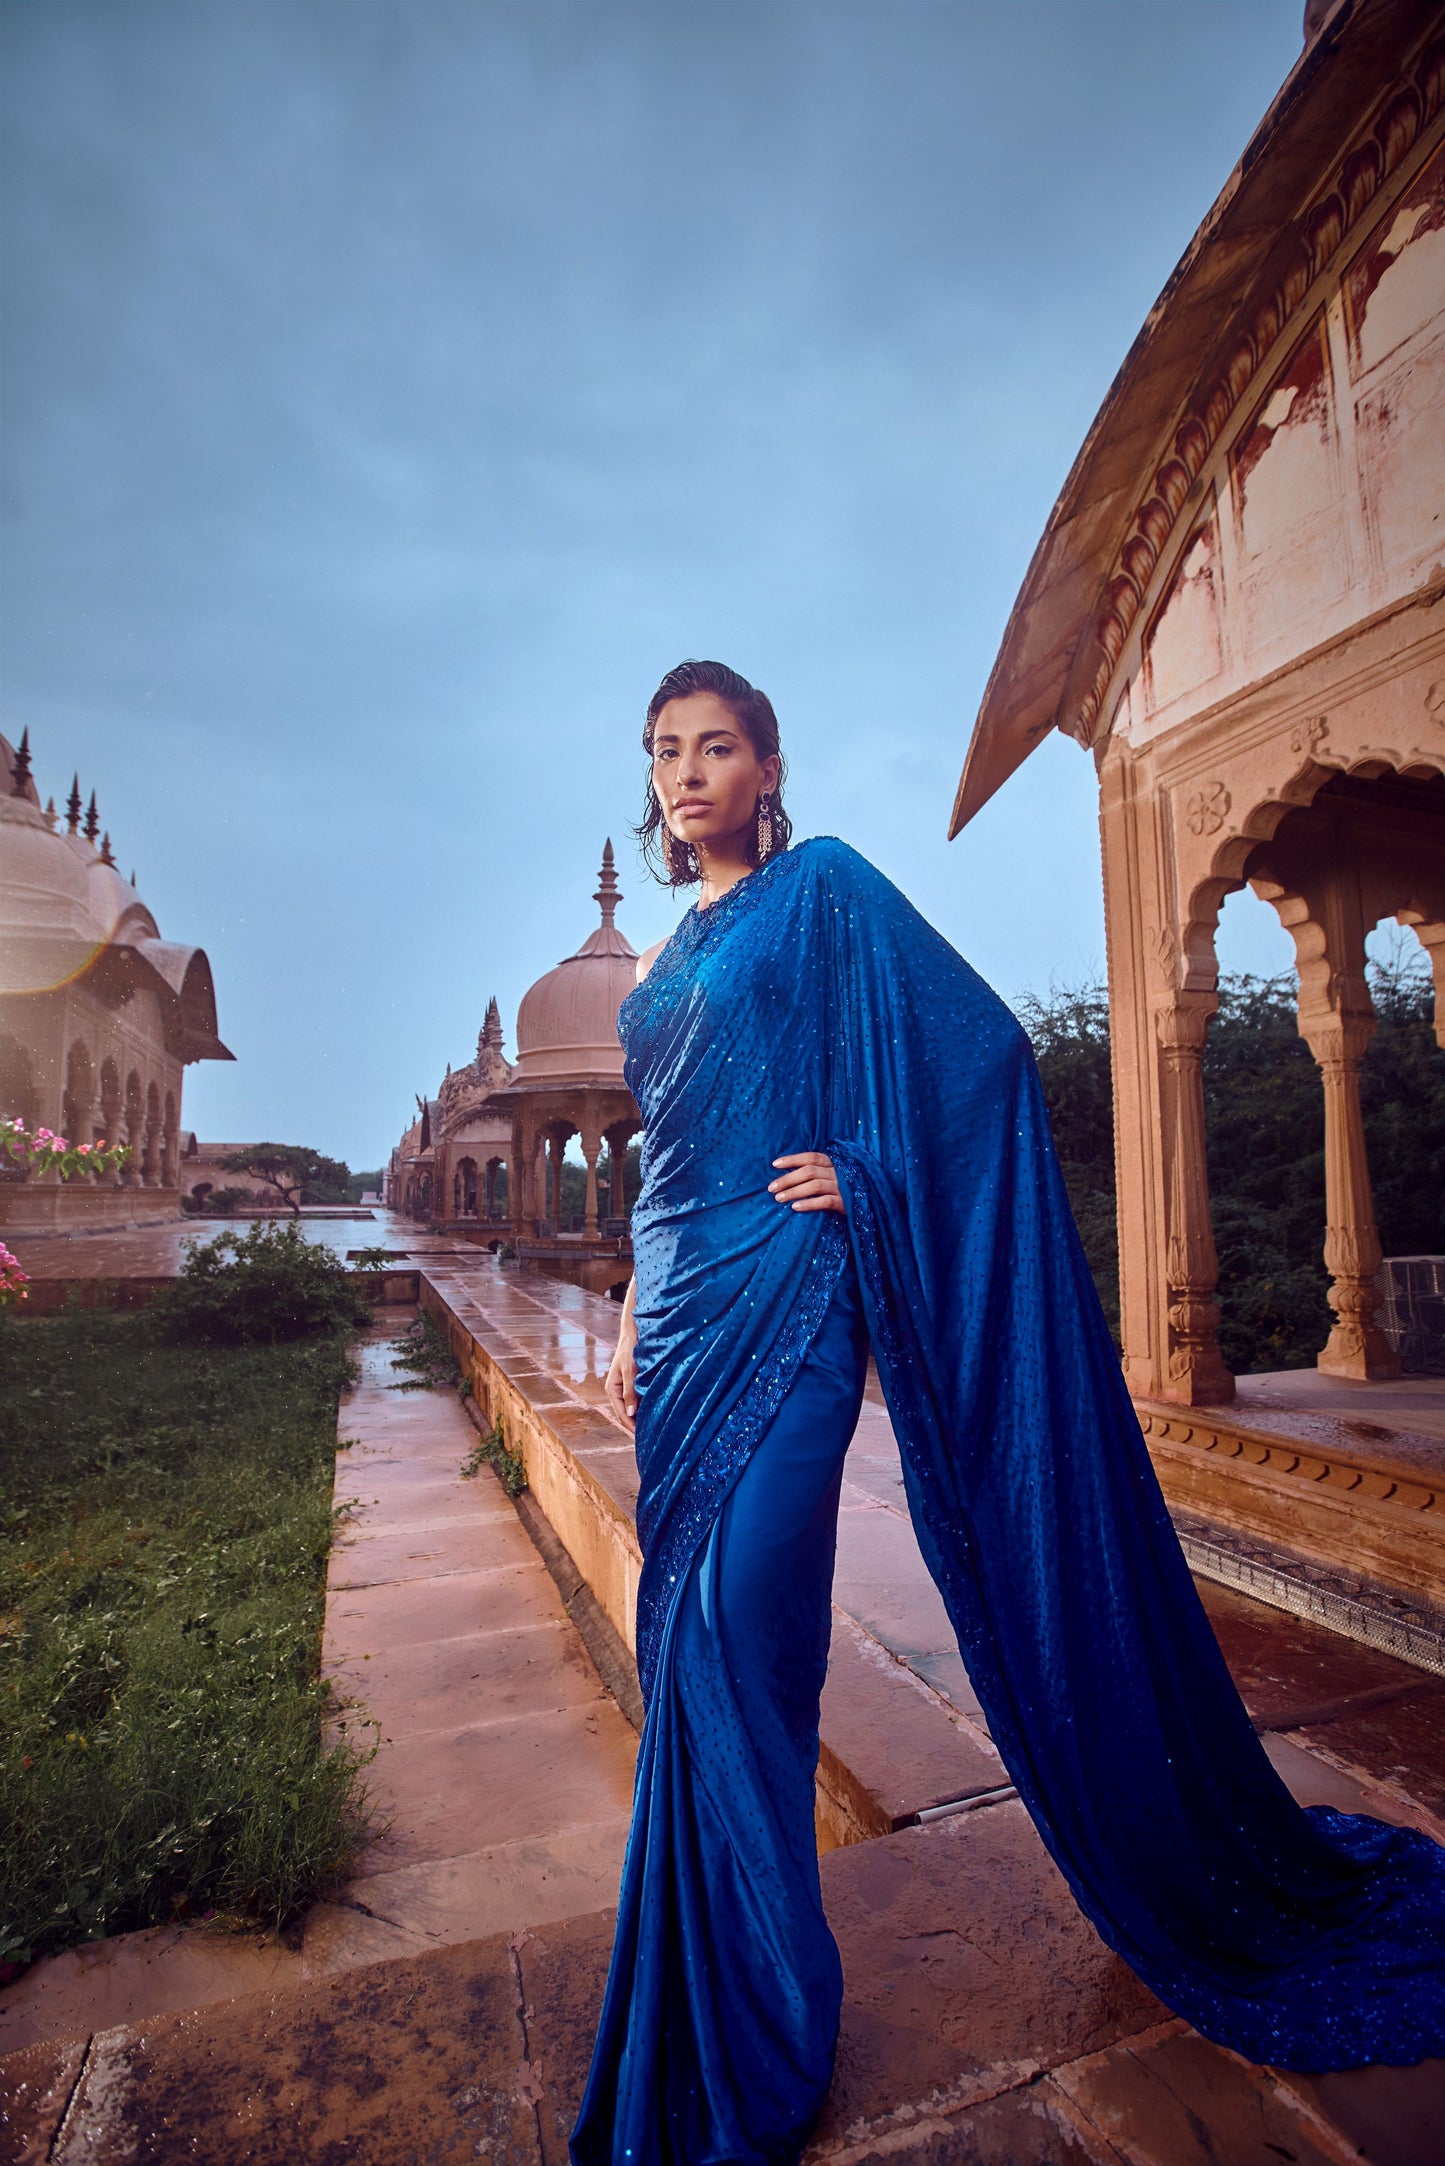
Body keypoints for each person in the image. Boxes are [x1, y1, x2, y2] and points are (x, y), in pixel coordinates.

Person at [570, 660, 1445, 2166]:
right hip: (679, 1311)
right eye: (664, 750)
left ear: (768, 765)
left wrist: (865, 1172)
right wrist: (639, 1294)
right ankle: (715, 1992)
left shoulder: (825, 889)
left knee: (737, 1638)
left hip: (785, 1300)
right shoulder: (668, 943)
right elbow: (668, 1134)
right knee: (688, 1637)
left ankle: (758, 2023)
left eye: (715, 746)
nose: (686, 772)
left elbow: (977, 1053)